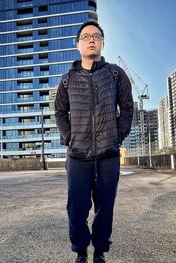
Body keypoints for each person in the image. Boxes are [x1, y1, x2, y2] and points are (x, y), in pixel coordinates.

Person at [54, 21, 134, 263]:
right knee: (77, 208)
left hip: (108, 155)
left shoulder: (115, 74)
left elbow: (128, 107)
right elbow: (59, 112)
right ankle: (80, 250)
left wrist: (116, 136)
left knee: (105, 207)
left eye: (96, 36)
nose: (91, 39)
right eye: (86, 36)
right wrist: (69, 138)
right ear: (78, 44)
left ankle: (100, 251)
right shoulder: (67, 79)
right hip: (77, 155)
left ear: (102, 43)